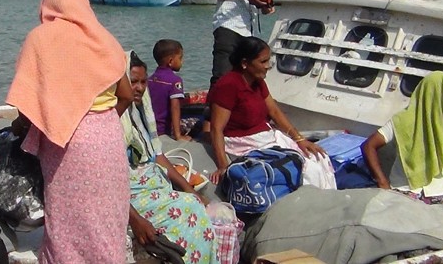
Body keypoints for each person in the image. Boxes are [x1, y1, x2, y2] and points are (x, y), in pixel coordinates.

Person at [7, 0, 133, 263]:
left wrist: (23, 127)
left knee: (67, 222)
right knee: (107, 222)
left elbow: (28, 110)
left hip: (68, 143)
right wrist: (99, 123)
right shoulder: (103, 39)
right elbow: (126, 95)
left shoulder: (41, 38)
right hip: (109, 136)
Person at [207, 36, 336, 189]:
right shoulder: (228, 85)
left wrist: (299, 139)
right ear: (244, 64)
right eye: (263, 62)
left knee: (319, 157)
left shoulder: (257, 81)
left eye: (268, 61)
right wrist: (223, 165)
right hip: (244, 142)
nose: (268, 66)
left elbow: (274, 111)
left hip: (266, 136)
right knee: (308, 169)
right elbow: (217, 128)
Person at [123, 51, 216, 264]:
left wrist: (191, 190)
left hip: (153, 184)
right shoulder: (112, 120)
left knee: (193, 203)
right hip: (131, 193)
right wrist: (135, 220)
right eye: (133, 82)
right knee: (190, 208)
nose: (139, 88)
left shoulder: (138, 115)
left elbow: (157, 155)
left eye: (143, 82)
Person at [360, 71, 443, 210]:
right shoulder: (403, 121)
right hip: (406, 190)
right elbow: (368, 146)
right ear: (433, 94)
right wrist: (382, 182)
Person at [148, 39, 197, 141]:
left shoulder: (150, 79)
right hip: (164, 129)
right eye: (180, 58)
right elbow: (175, 107)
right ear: (171, 61)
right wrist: (178, 135)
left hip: (151, 127)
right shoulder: (175, 81)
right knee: (197, 122)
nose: (182, 61)